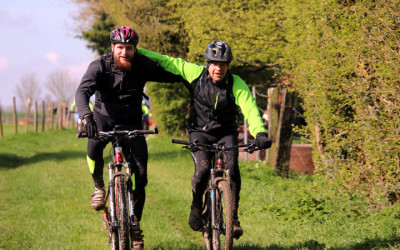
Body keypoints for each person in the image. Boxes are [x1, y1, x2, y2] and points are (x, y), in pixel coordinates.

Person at [137, 41, 272, 239]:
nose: (219, 68)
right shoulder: (195, 74)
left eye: (223, 64)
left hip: (226, 133)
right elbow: (167, 61)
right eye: (215, 63)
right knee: (201, 170)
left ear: (228, 65)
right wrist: (136, 50)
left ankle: (233, 217)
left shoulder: (236, 83)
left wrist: (260, 133)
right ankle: (196, 204)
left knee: (232, 169)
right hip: (199, 131)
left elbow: (250, 108)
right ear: (207, 63)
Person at [74, 26, 184, 245]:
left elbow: (170, 74)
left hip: (132, 123)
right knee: (93, 147)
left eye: (129, 48)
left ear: (135, 49)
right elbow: (82, 92)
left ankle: (134, 224)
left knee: (140, 175)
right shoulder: (99, 66)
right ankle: (98, 187)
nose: (124, 52)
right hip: (102, 118)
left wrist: (194, 77)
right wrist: (87, 118)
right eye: (120, 48)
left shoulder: (141, 65)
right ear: (113, 48)